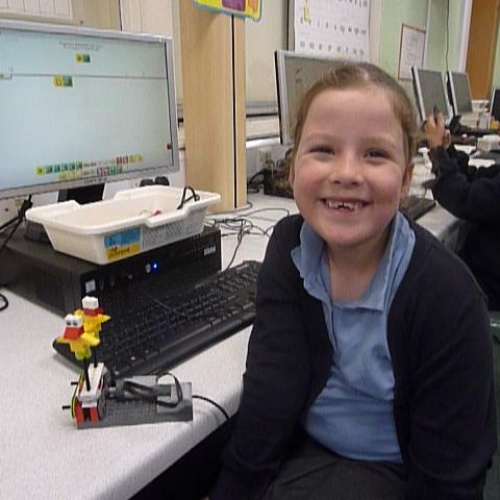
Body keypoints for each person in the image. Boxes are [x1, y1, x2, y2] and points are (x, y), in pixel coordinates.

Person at [209, 62, 497, 500]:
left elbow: (449, 479)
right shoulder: (290, 248)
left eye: (375, 154)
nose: (346, 172)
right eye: (323, 149)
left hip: (398, 470)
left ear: (405, 180)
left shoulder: (447, 294)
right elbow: (272, 388)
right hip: (308, 453)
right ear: (292, 169)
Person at [424, 112, 500, 310]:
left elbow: (461, 196)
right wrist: (447, 151)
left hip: (486, 290)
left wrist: (437, 150)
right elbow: (477, 178)